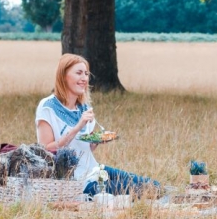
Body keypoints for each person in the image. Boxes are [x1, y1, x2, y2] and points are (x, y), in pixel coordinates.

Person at [35, 53, 160, 198]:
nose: (84, 78)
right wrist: (77, 126)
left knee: (153, 186)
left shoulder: (83, 107)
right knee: (141, 190)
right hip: (75, 182)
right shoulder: (47, 107)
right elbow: (46, 150)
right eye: (79, 73)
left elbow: (85, 149)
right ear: (63, 76)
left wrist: (96, 141)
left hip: (94, 170)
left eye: (86, 74)